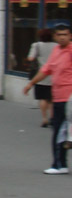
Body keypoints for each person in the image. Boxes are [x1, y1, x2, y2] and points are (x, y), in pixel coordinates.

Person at [23, 23, 72, 175]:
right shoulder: (56, 50)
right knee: (59, 130)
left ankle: (59, 164)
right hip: (58, 97)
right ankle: (60, 164)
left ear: (70, 36)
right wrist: (31, 83)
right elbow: (46, 70)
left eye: (65, 34)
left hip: (70, 98)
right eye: (59, 34)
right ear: (55, 36)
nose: (62, 37)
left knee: (62, 131)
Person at [26, 29, 56, 128]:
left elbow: (30, 58)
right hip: (53, 75)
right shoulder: (56, 46)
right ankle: (52, 118)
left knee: (42, 98)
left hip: (41, 75)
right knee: (51, 99)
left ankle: (44, 118)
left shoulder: (36, 45)